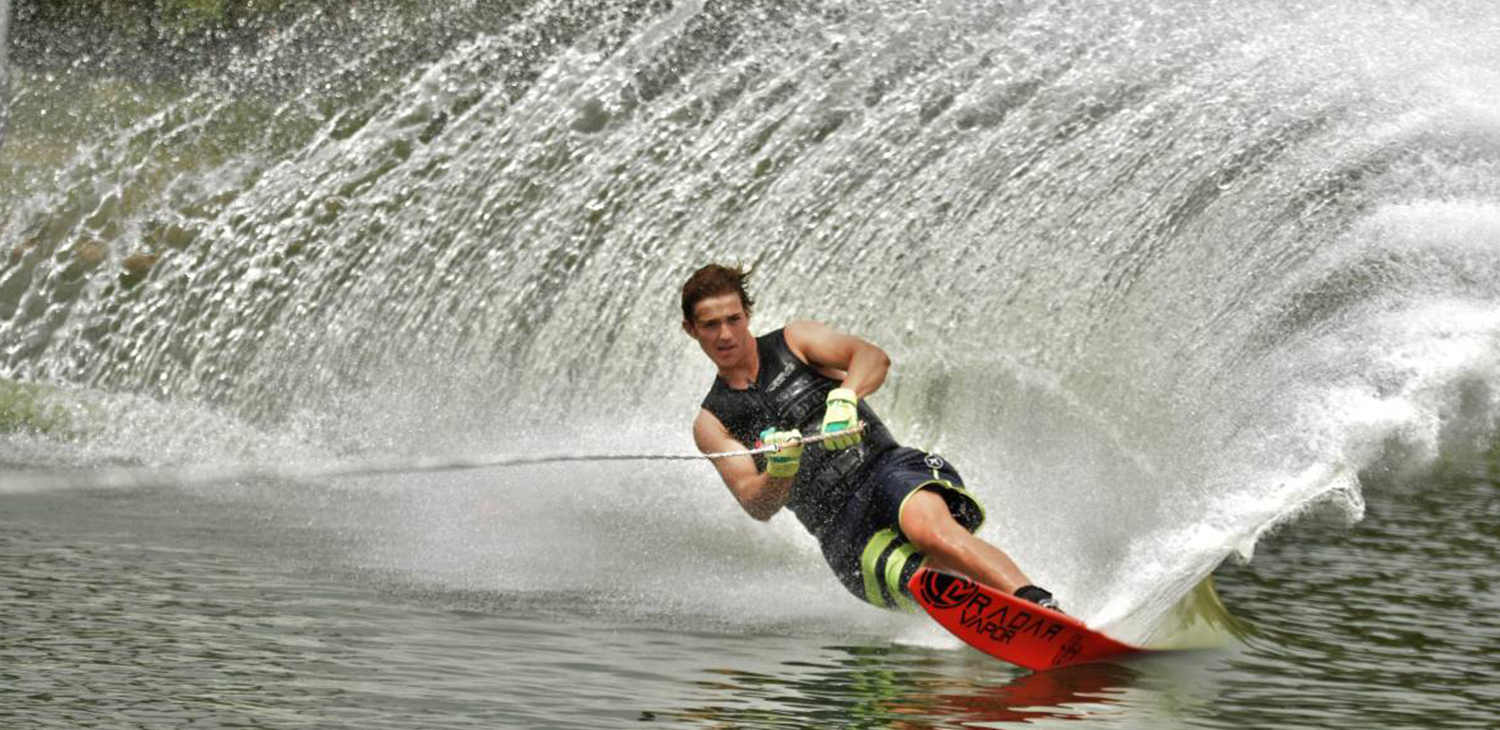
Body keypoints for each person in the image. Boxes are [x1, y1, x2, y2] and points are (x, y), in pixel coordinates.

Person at [682, 263, 1061, 613]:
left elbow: (871, 357)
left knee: (927, 530)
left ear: (747, 315)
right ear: (692, 329)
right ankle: (1005, 622)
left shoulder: (795, 341)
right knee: (920, 577)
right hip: (839, 529)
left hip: (886, 470)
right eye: (711, 324)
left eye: (733, 319)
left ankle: (1037, 602)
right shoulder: (713, 421)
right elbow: (755, 502)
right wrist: (779, 471)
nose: (726, 334)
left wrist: (846, 396)